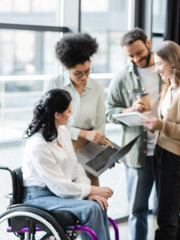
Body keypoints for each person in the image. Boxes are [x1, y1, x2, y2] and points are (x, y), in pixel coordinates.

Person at [106, 28, 180, 240]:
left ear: (149, 44)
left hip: (168, 151)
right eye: (130, 56)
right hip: (138, 155)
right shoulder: (123, 77)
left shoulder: (169, 74)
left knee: (173, 210)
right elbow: (109, 112)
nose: (136, 58)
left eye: (139, 52)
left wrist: (160, 124)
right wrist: (128, 110)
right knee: (138, 210)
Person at [22, 89, 113, 240]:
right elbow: (60, 186)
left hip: (57, 191)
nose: (71, 114)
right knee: (91, 209)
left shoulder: (62, 132)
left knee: (98, 204)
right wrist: (93, 189)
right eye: (69, 111)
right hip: (38, 195)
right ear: (57, 115)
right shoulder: (38, 145)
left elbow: (76, 167)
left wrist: (90, 192)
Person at [141, 40, 180, 240]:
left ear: (172, 62)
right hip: (161, 152)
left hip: (174, 156)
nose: (156, 69)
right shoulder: (169, 88)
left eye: (159, 64)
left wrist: (159, 126)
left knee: (166, 217)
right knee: (169, 212)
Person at [45, 32, 106, 186]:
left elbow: (100, 125)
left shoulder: (97, 89)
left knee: (92, 194)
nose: (84, 77)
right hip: (59, 147)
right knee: (65, 191)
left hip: (88, 149)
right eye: (77, 74)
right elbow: (50, 121)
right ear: (66, 68)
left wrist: (103, 154)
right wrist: (83, 133)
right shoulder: (55, 85)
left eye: (87, 71)